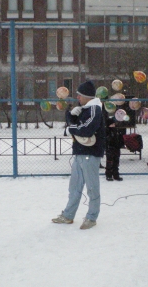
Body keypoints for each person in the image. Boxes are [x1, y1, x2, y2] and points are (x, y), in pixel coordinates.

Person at [52, 81, 105, 230]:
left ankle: (92, 217)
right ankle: (68, 215)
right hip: (80, 153)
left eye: (79, 95)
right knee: (74, 187)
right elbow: (74, 124)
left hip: (90, 153)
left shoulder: (95, 109)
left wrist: (71, 129)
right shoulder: (84, 108)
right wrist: (70, 114)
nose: (77, 97)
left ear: (87, 96)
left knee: (92, 188)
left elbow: (86, 129)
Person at [103, 102, 124, 181]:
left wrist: (121, 144)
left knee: (116, 161)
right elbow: (106, 139)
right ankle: (108, 174)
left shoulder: (117, 130)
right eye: (112, 124)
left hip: (116, 147)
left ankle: (116, 174)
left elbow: (120, 138)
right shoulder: (108, 131)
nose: (114, 125)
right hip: (110, 147)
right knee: (109, 161)